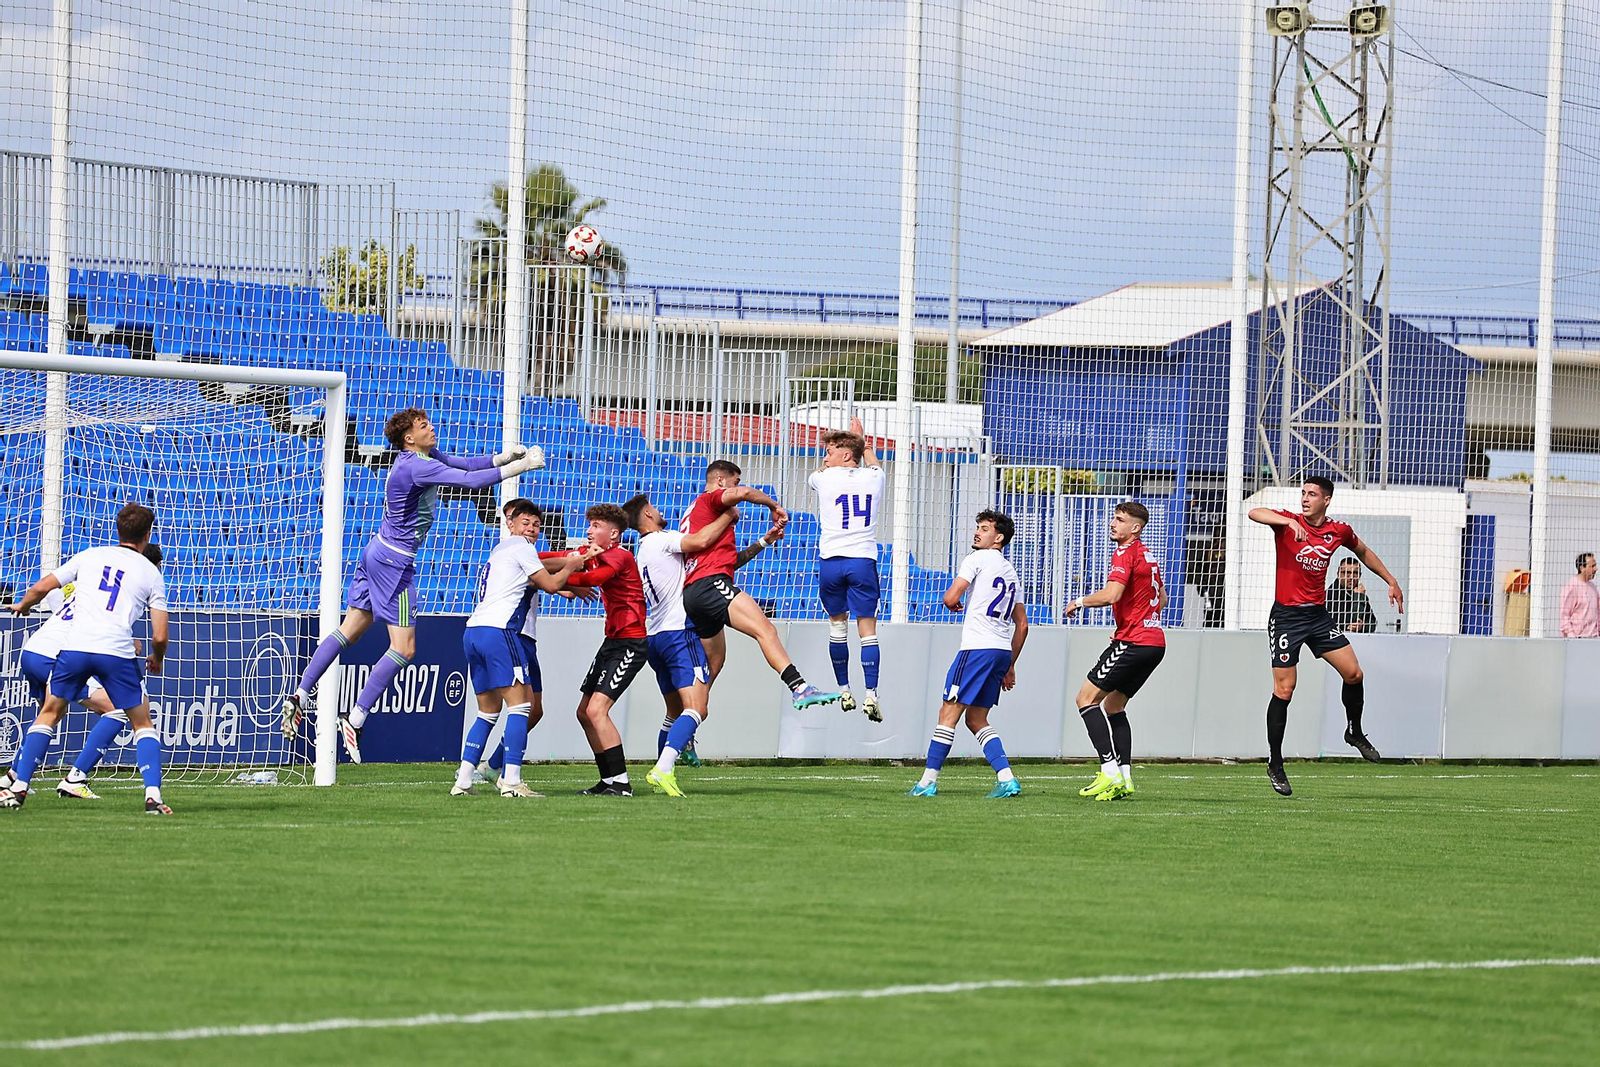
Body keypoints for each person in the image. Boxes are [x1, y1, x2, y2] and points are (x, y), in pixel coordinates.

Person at [280, 407, 544, 762]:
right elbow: (469, 482)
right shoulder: (415, 465)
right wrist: (521, 466)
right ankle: (355, 718)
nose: (431, 428)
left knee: (350, 631)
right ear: (408, 438)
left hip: (375, 552)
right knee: (404, 649)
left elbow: (462, 464)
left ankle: (300, 691)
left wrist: (501, 457)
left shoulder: (423, 456)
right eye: (423, 426)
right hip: (395, 563)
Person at [2, 504, 171, 814]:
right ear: (148, 534)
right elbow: (160, 635)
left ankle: (18, 786)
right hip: (115, 651)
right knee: (141, 722)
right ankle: (153, 797)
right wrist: (156, 657)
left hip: (74, 648)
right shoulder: (150, 571)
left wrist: (23, 605)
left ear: (117, 529)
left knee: (50, 712)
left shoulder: (90, 555)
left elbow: (43, 587)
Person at [1248, 477, 1403, 796]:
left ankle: (1353, 731)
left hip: (1317, 617)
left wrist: (1390, 579)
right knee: (1285, 688)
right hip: (1287, 617)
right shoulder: (1287, 523)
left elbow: (1363, 551)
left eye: (1312, 494)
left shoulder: (1338, 531)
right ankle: (1275, 762)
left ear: (1326, 500)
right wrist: (1287, 521)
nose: (1305, 498)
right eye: (1303, 493)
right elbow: (1255, 512)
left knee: (1354, 672)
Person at [451, 498, 591, 798]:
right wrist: (571, 565)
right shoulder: (521, 549)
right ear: (510, 523)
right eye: (525, 522)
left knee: (488, 712)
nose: (532, 529)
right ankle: (511, 780)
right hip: (502, 632)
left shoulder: (500, 552)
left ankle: (463, 780)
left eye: (537, 525)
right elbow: (550, 584)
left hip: (475, 631)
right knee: (521, 707)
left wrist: (565, 575)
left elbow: (540, 576)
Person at [620, 492, 750, 797]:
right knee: (697, 708)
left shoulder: (642, 552)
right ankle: (663, 769)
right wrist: (728, 516)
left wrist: (761, 543)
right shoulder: (662, 539)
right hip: (679, 634)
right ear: (648, 515)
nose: (659, 510)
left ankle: (662, 772)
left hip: (656, 638)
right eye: (654, 507)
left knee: (673, 712)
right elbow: (702, 540)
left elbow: (716, 561)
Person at [681, 459, 838, 710]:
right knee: (765, 630)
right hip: (710, 584)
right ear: (721, 481)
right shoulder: (710, 499)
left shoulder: (697, 514)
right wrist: (773, 505)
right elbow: (742, 494)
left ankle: (686, 722)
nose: (737, 486)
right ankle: (799, 687)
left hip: (694, 591)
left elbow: (730, 562)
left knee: (715, 661)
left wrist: (764, 542)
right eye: (734, 480)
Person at [908, 510, 1028, 799]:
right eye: (977, 527)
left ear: (998, 537)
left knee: (947, 713)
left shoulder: (975, 560)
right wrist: (1010, 665)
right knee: (976, 719)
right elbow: (1022, 624)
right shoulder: (1010, 572)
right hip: (999, 651)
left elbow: (951, 597)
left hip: (977, 648)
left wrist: (951, 603)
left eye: (984, 528)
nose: (977, 532)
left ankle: (927, 782)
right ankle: (1007, 779)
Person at [1063, 502, 1165, 802]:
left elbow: (1113, 594)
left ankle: (1108, 770)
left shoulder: (1124, 552)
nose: (1113, 524)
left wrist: (1079, 602)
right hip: (1154, 642)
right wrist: (1131, 621)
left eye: (1120, 520)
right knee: (1114, 706)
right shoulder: (1148, 555)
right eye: (1114, 518)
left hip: (1135, 641)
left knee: (1085, 699)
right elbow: (1162, 598)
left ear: (1135, 528)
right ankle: (1125, 777)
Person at [564, 503, 651, 797]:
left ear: (613, 533)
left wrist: (555, 574)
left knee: (597, 710)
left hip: (631, 642)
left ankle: (622, 784)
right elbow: (559, 558)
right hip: (612, 641)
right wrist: (529, 561)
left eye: (596, 526)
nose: (589, 530)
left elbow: (591, 580)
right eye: (589, 525)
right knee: (584, 712)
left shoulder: (621, 556)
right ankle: (608, 780)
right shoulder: (595, 555)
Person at [808, 418, 887, 722]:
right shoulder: (875, 478)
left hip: (831, 562)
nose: (825, 457)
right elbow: (873, 462)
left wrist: (851, 446)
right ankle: (871, 694)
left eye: (830, 451)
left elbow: (818, 475)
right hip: (862, 562)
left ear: (845, 455)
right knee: (867, 630)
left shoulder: (823, 479)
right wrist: (862, 441)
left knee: (837, 626)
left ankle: (844, 689)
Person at [1325, 557, 1379, 634]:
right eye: (1346, 573)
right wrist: (1359, 598)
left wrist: (1362, 626)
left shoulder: (1359, 593)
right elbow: (1347, 623)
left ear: (1360, 575)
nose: (1351, 577)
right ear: (1338, 574)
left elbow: (1372, 623)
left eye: (1355, 573)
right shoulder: (1330, 595)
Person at [1560, 552, 1599, 638]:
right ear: (1582, 568)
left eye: (1595, 566)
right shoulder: (1572, 586)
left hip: (1594, 639)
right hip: (1578, 638)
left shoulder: (1593, 588)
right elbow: (1564, 615)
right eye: (1592, 566)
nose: (1596, 569)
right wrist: (1572, 638)